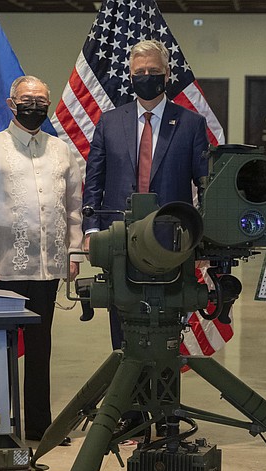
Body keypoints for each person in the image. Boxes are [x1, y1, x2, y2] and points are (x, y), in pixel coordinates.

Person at [0, 75, 83, 442]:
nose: (34, 106)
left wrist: (73, 252)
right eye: (27, 99)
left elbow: (74, 208)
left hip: (48, 267)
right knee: (1, 348)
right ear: (11, 103)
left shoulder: (61, 151)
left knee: (40, 347)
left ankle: (38, 425)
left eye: (41, 100)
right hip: (4, 265)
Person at [82, 39, 210, 350]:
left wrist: (204, 238)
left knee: (164, 329)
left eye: (153, 70)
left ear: (167, 75)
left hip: (171, 241)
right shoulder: (110, 122)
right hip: (118, 240)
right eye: (139, 71)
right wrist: (91, 229)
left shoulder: (191, 124)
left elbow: (206, 185)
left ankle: (162, 396)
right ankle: (124, 395)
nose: (146, 75)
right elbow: (94, 180)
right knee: (122, 326)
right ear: (130, 76)